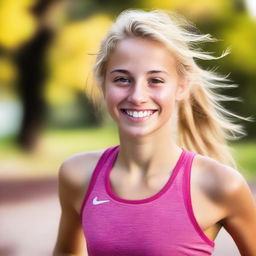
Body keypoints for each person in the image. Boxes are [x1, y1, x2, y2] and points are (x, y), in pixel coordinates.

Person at [52, 9, 256, 256]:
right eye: (122, 79)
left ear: (181, 87)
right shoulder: (77, 174)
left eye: (156, 80)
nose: (137, 96)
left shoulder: (220, 185)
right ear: (103, 84)